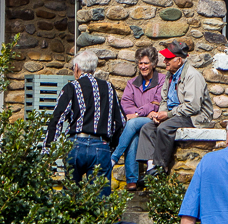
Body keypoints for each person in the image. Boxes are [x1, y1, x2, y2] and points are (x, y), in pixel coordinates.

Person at [44, 49, 124, 197]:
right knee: (101, 200)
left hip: (75, 145)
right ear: (94, 68)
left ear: (76, 68)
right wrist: (111, 147)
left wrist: (47, 151)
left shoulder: (71, 87)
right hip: (101, 145)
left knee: (72, 198)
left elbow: (57, 120)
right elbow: (120, 122)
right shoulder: (109, 88)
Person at [135, 39, 213, 175]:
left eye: (168, 58)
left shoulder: (192, 76)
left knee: (165, 128)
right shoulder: (169, 76)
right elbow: (164, 99)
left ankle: (161, 167)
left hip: (194, 116)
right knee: (148, 127)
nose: (165, 61)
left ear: (179, 60)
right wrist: (161, 113)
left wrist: (168, 115)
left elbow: (192, 106)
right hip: (175, 114)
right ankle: (150, 167)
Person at [111, 46, 166, 191]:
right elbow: (126, 104)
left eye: (146, 63)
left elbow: (157, 102)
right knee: (133, 136)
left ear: (153, 63)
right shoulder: (132, 83)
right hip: (143, 118)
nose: (143, 66)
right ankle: (132, 181)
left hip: (154, 120)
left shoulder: (162, 80)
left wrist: (137, 113)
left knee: (132, 123)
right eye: (140, 63)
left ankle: (114, 157)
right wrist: (143, 112)